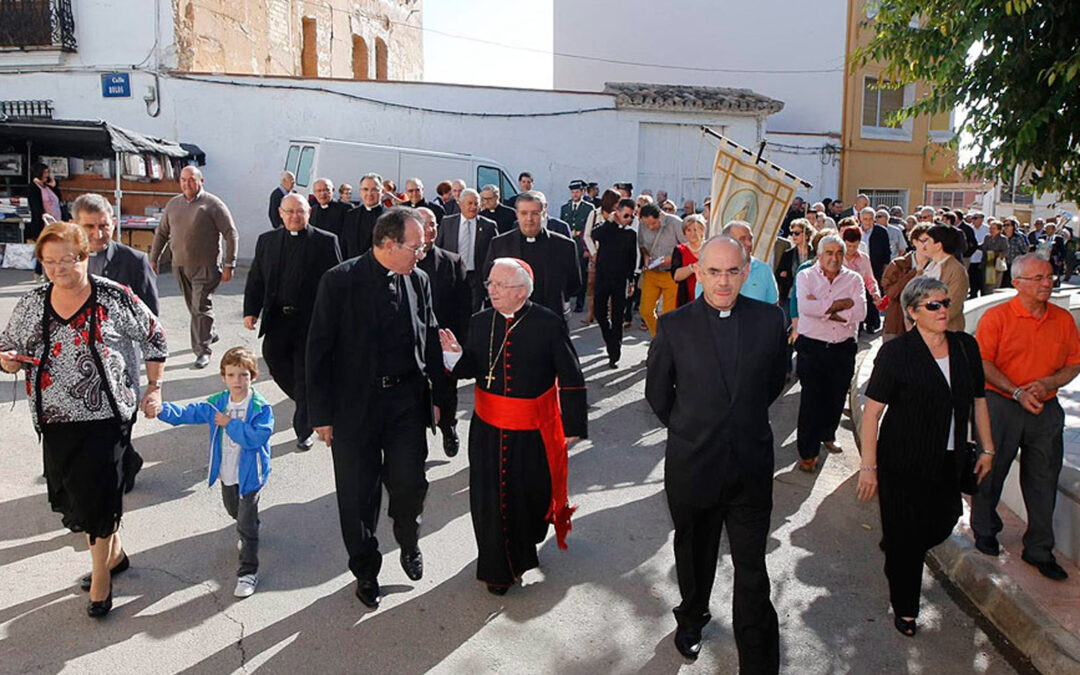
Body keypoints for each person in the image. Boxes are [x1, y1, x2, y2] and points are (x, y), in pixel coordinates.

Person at [0, 221, 168, 618]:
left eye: (67, 260)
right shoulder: (33, 302)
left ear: (84, 257)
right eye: (49, 261)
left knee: (97, 496)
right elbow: (8, 346)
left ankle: (100, 581)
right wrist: (6, 361)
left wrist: (155, 386)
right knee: (75, 496)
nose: (59, 269)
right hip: (55, 418)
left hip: (107, 415)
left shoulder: (112, 296)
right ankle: (117, 555)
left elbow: (154, 336)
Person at [646, 236, 785, 669]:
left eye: (732, 271)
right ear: (698, 272)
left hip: (749, 464)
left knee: (752, 570)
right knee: (694, 553)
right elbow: (657, 394)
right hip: (694, 465)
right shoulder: (674, 325)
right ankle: (691, 618)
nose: (723, 282)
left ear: (746, 272)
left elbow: (775, 380)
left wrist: (739, 421)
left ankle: (758, 661)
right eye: (713, 271)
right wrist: (693, 429)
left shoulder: (769, 320)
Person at [306, 206, 450, 609]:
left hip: (405, 403)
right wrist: (322, 415)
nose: (421, 254)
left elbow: (430, 339)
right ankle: (366, 570)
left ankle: (408, 538)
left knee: (410, 483)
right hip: (355, 407)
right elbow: (318, 351)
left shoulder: (418, 280)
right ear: (388, 245)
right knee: (357, 497)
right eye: (414, 247)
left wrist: (437, 398)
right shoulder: (339, 282)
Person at [438, 258, 586, 595]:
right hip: (487, 429)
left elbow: (571, 373)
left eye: (498, 285)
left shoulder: (547, 323)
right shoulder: (479, 322)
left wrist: (573, 423)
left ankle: (528, 543)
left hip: (531, 432)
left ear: (521, 291)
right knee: (488, 499)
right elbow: (472, 367)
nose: (490, 290)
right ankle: (497, 569)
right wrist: (454, 358)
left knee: (529, 498)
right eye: (489, 283)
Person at [858, 276, 994, 636]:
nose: (942, 310)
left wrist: (988, 447)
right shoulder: (897, 353)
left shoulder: (965, 347)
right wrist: (868, 467)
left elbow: (979, 401)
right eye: (933, 305)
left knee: (944, 520)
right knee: (907, 543)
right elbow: (871, 414)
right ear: (913, 312)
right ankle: (905, 607)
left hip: (949, 461)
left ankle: (902, 547)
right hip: (901, 462)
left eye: (945, 303)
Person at [971, 254, 1080, 581]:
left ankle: (1039, 548)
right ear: (1017, 283)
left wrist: (1048, 383)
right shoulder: (997, 317)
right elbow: (983, 364)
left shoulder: (1062, 320)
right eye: (1039, 278)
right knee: (991, 470)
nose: (1048, 283)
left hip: (1045, 408)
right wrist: (1016, 391)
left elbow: (1074, 363)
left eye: (1049, 277)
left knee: (1044, 478)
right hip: (1001, 404)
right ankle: (985, 529)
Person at [155, 347, 274, 598]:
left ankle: (247, 573)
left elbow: (256, 438)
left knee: (245, 526)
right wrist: (161, 410)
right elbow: (190, 412)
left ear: (253, 376)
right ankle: (250, 524)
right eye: (231, 375)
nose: (237, 381)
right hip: (226, 473)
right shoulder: (219, 402)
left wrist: (230, 424)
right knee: (235, 512)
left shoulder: (261, 408)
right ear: (223, 377)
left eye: (243, 375)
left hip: (250, 477)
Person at [74, 194, 159, 492]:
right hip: (78, 360)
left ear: (113, 223)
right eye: (89, 227)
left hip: (121, 361)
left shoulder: (133, 262)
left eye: (103, 226)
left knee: (120, 421)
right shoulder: (66, 261)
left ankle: (124, 463)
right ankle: (122, 462)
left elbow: (151, 322)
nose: (97, 234)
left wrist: (154, 381)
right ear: (76, 225)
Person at [243, 193, 341, 450]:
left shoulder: (326, 241)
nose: (295, 217)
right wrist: (250, 310)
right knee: (274, 362)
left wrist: (338, 318)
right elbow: (256, 277)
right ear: (280, 213)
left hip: (310, 322)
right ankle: (306, 402)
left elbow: (338, 284)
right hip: (278, 319)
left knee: (303, 373)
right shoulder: (267, 241)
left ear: (309, 213)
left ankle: (304, 429)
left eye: (300, 212)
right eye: (290, 212)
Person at [149, 166, 239, 369]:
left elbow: (230, 234)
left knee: (200, 307)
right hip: (180, 266)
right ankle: (209, 332)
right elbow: (162, 233)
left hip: (206, 267)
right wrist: (153, 258)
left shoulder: (213, 204)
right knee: (194, 308)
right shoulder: (173, 204)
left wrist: (229, 264)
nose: (187, 184)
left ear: (201, 181)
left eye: (191, 180)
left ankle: (202, 351)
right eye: (183, 180)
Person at [793, 234, 866, 471]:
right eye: (829, 253)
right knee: (812, 400)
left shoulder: (854, 279)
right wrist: (840, 304)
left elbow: (861, 313)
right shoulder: (805, 275)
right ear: (819, 254)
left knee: (835, 397)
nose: (834, 258)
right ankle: (808, 452)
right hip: (812, 347)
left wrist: (823, 308)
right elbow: (805, 307)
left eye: (838, 253)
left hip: (843, 348)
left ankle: (828, 434)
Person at [417, 206, 471, 457]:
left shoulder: (452, 261)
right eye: (425, 224)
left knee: (446, 393)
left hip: (443, 344)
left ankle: (449, 428)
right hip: (412, 347)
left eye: (434, 225)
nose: (431, 230)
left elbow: (463, 307)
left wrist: (458, 344)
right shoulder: (399, 261)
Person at [483, 191, 580, 320]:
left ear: (544, 213)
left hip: (551, 317)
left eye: (535, 213)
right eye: (524, 213)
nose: (529, 218)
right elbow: (488, 279)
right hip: (512, 319)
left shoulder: (565, 246)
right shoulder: (500, 244)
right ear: (517, 214)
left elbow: (574, 284)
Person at [591, 198, 639, 368]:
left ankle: (614, 354)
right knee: (599, 313)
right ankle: (610, 339)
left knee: (618, 317)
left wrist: (631, 281)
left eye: (632, 216)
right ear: (617, 213)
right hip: (603, 277)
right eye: (626, 215)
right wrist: (609, 221)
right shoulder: (606, 229)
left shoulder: (631, 234)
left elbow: (632, 259)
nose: (629, 219)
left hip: (620, 280)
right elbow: (594, 235)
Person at [435, 188, 496, 312]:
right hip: (452, 275)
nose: (473, 207)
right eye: (470, 203)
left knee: (474, 313)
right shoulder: (447, 223)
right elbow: (439, 249)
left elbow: (494, 253)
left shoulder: (488, 226)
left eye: (476, 204)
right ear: (460, 204)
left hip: (475, 277)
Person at [637, 203, 686, 335]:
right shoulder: (642, 224)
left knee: (668, 314)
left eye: (653, 224)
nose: (650, 228)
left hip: (671, 274)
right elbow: (641, 244)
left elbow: (686, 247)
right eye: (647, 225)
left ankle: (666, 342)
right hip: (652, 272)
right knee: (645, 310)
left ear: (660, 216)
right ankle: (658, 337)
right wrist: (646, 257)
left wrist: (670, 259)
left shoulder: (675, 223)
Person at [879, 224, 930, 341]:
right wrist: (913, 274)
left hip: (925, 326)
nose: (928, 245)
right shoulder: (898, 264)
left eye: (932, 241)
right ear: (914, 242)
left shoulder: (937, 266)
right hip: (897, 323)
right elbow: (891, 293)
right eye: (925, 240)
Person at [581, 189, 624, 325]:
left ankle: (611, 313)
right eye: (617, 202)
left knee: (612, 285)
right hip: (596, 256)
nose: (618, 205)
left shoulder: (618, 215)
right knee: (591, 284)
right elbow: (587, 235)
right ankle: (591, 311)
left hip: (613, 256)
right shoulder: (594, 214)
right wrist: (593, 253)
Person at [920, 225, 969, 331]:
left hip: (946, 333)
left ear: (938, 245)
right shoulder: (929, 266)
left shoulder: (957, 270)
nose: (924, 245)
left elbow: (951, 307)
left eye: (927, 241)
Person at [719, 221, 779, 305]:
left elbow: (774, 308)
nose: (749, 243)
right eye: (742, 239)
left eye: (750, 239)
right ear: (727, 242)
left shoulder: (764, 270)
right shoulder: (711, 270)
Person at [561, 180, 594, 314]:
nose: (574, 194)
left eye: (577, 192)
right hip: (569, 243)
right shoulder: (565, 207)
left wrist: (588, 249)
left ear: (582, 192)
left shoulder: (588, 208)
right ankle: (567, 297)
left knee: (582, 273)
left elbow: (590, 229)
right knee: (567, 271)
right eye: (573, 192)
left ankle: (580, 302)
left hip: (581, 243)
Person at [775, 218, 816, 312]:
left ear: (807, 235)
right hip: (790, 296)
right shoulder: (788, 254)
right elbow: (779, 275)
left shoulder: (815, 254)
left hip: (811, 297)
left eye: (797, 233)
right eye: (792, 233)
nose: (793, 236)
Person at [341, 173, 385, 258]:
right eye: (365, 189)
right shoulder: (351, 215)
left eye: (374, 189)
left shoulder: (390, 217)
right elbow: (344, 245)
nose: (369, 193)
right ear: (360, 192)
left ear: (382, 192)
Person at [840, 225, 882, 314]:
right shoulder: (837, 257)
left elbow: (869, 280)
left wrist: (875, 293)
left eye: (854, 246)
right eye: (848, 246)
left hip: (857, 301)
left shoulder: (863, 259)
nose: (851, 249)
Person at [670, 214, 706, 307]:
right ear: (684, 233)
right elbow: (676, 275)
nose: (693, 233)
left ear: (703, 230)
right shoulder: (680, 250)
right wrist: (693, 267)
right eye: (688, 230)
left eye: (696, 229)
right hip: (686, 299)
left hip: (708, 297)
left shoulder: (711, 247)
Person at [309, 177, 349, 241]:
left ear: (333, 190)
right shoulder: (313, 210)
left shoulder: (345, 209)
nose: (323, 194)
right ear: (314, 193)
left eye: (326, 190)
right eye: (319, 191)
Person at [981, 219, 1008, 293]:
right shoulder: (987, 237)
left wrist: (995, 253)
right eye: (990, 228)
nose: (991, 230)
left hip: (995, 263)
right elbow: (984, 248)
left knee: (993, 286)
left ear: (999, 230)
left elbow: (1005, 251)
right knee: (986, 286)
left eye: (994, 228)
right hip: (987, 262)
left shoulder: (1003, 239)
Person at [966, 211, 990, 297]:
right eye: (972, 218)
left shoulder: (987, 229)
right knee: (972, 280)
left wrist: (978, 246)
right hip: (972, 259)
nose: (973, 220)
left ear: (981, 219)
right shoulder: (970, 229)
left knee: (982, 282)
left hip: (983, 259)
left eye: (975, 218)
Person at [1000, 218, 1027, 287]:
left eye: (1008, 225)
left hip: (1015, 264)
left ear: (1013, 227)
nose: (1006, 227)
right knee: (1003, 284)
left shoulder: (1018, 237)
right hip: (1003, 264)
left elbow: (1024, 250)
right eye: (1004, 225)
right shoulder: (1001, 237)